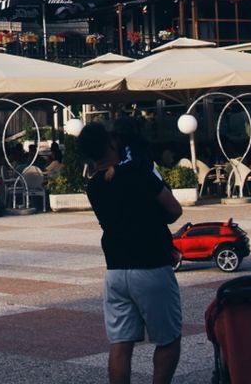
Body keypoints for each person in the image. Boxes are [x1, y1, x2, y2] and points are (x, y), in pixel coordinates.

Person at [77, 122, 183, 384]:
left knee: (121, 344)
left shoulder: (94, 186)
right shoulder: (139, 172)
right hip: (151, 266)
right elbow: (174, 210)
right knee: (168, 340)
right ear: (112, 143)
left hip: (115, 271)